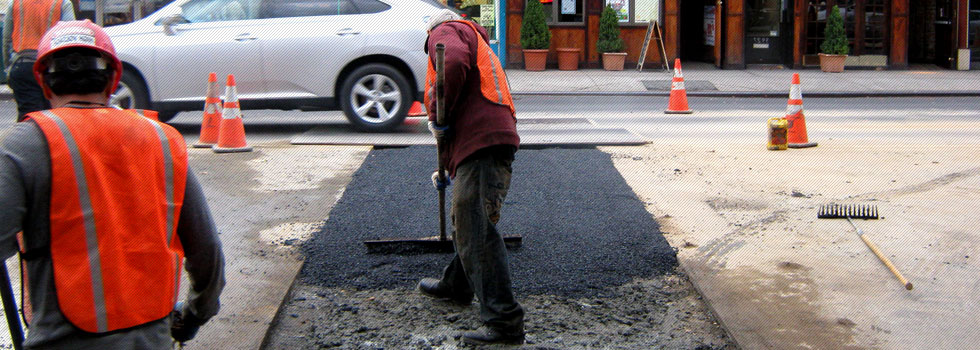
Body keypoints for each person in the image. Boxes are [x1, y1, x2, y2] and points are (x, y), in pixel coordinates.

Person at [0, 20, 225, 349]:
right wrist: (193, 315)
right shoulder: (162, 140)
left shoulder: (24, 145)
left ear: (44, 85)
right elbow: (207, 254)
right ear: (113, 80)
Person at [416, 10, 524, 345]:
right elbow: (464, 109)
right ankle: (457, 286)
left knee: (473, 223)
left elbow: (452, 65)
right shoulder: (473, 37)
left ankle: (505, 323)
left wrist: (435, 114)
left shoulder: (446, 31)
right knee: (465, 217)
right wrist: (448, 168)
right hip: (485, 141)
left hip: (484, 142)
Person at [3, 0, 76, 121]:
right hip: (51, 67)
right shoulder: (62, 3)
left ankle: (28, 138)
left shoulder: (16, 3)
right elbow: (71, 37)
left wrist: (8, 68)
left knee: (29, 118)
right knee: (54, 118)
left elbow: (6, 39)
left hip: (23, 65)